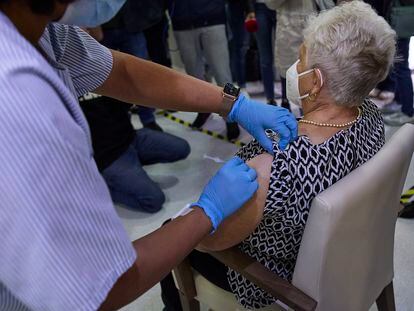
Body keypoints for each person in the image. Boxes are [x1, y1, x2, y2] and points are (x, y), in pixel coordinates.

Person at [0, 0, 297, 310]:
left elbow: (124, 73)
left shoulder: (45, 32)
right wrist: (205, 212)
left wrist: (233, 105)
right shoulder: (17, 96)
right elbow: (98, 289)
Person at [161, 1, 396, 309]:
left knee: (171, 233)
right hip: (343, 251)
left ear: (315, 81)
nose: (294, 69)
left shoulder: (272, 166)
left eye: (300, 59)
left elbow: (210, 241)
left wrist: (203, 213)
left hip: (270, 278)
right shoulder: (370, 117)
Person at [80, 94, 190, 213]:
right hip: (108, 156)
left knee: (181, 148)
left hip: (131, 137)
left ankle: (133, 169)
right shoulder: (64, 89)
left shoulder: (102, 78)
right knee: (153, 200)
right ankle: (102, 186)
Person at [169, 0, 241, 140]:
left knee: (223, 74)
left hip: (213, 17)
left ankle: (230, 117)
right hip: (181, 21)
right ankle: (203, 110)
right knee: (193, 76)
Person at [101, 0, 164, 132]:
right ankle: (119, 121)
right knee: (106, 78)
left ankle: (148, 119)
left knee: (143, 76)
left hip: (131, 25)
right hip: (103, 27)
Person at [226, 0, 255, 92]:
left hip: (239, 8)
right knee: (236, 49)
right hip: (231, 8)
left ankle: (241, 86)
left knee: (238, 48)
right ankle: (239, 86)